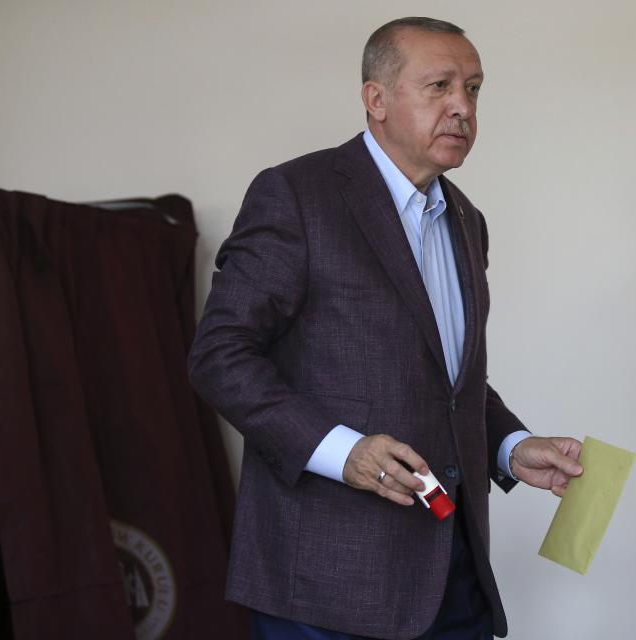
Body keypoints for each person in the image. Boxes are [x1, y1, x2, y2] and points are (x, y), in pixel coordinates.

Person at [188, 16, 583, 640]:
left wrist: (511, 446)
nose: (462, 107)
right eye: (440, 86)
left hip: (455, 573)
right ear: (376, 99)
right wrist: (343, 453)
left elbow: (448, 381)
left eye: (474, 89)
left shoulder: (465, 220)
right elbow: (219, 355)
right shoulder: (295, 194)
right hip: (326, 584)